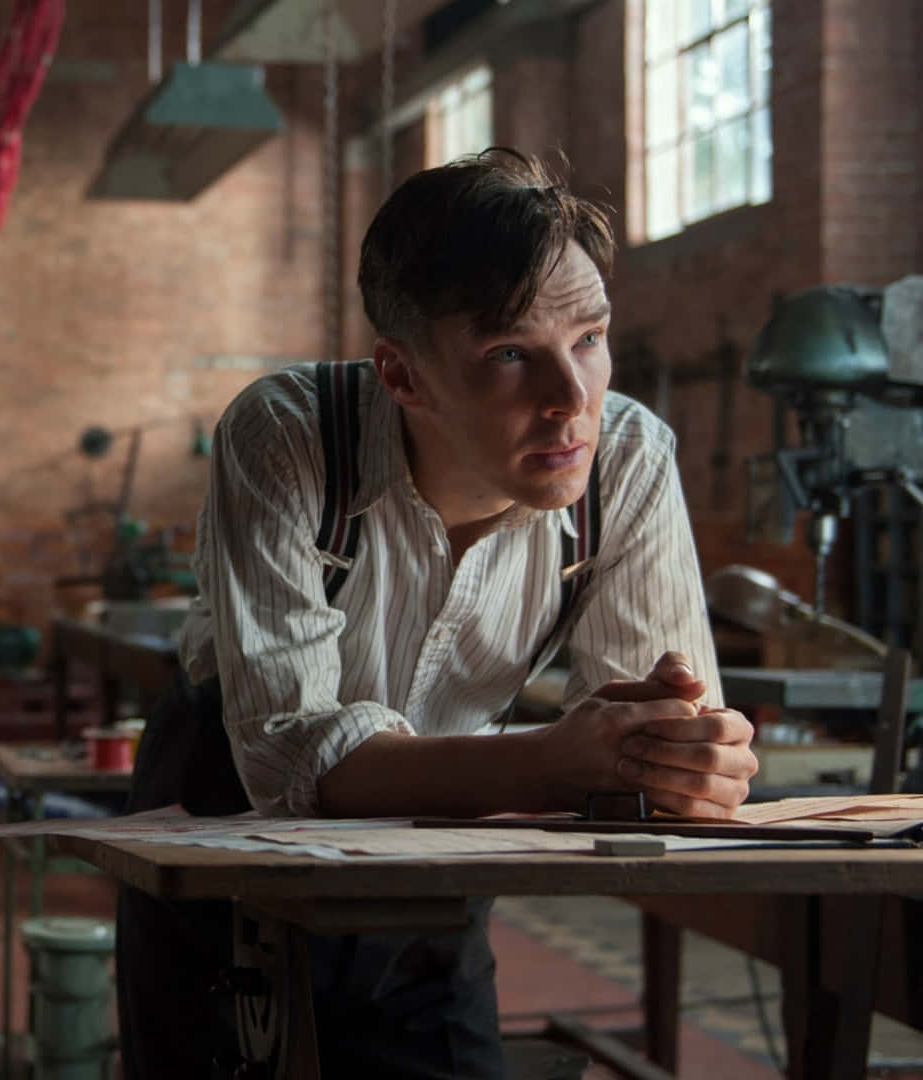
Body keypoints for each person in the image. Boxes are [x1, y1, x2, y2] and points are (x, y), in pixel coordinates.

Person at [115, 148, 760, 1079]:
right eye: (509, 355)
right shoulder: (288, 435)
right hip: (222, 800)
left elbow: (660, 727)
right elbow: (282, 754)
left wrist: (684, 754)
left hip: (453, 818)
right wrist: (552, 761)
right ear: (403, 375)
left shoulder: (629, 462)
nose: (572, 402)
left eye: (589, 338)